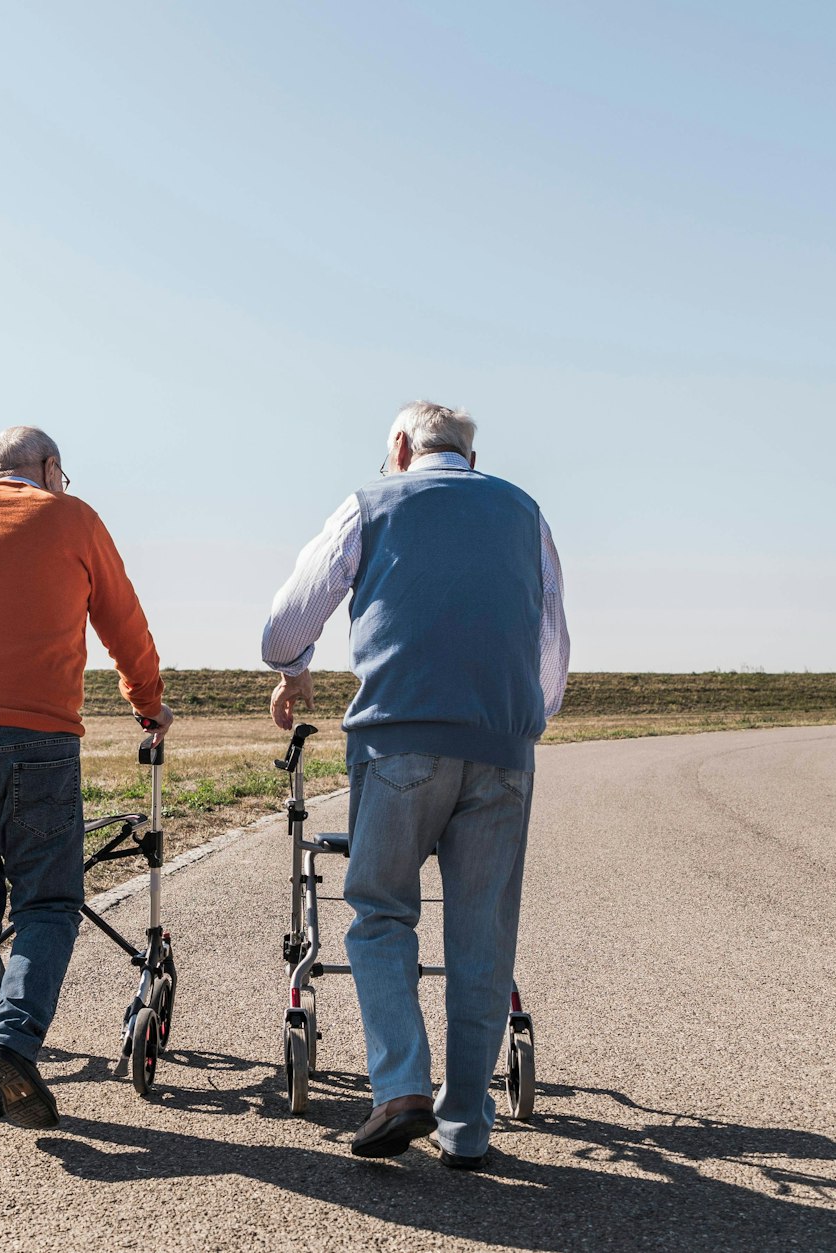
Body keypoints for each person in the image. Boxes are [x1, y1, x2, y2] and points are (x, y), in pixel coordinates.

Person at [261, 401, 570, 1169]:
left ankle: (400, 1086)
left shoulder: (372, 503)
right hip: (502, 746)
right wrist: (514, 721)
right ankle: (466, 1124)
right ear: (469, 453)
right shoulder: (524, 513)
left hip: (398, 740)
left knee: (378, 911)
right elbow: (552, 647)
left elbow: (285, 624)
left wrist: (293, 670)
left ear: (400, 446)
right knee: (481, 937)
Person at [0, 426, 174, 1129]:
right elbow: (125, 627)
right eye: (64, 474)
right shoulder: (74, 519)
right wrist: (148, 704)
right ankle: (11, 1040)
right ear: (49, 468)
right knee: (49, 900)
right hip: (39, 736)